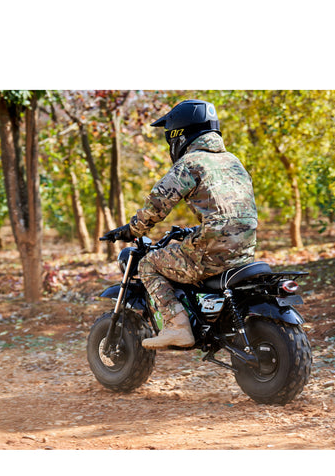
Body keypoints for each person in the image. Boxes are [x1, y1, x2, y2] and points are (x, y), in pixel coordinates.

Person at [105, 99, 258, 349]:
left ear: (179, 134)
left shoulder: (190, 163)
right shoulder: (233, 161)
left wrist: (131, 230)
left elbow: (158, 204)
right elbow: (230, 212)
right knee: (185, 249)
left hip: (212, 252)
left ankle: (178, 327)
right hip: (244, 251)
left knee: (148, 264)